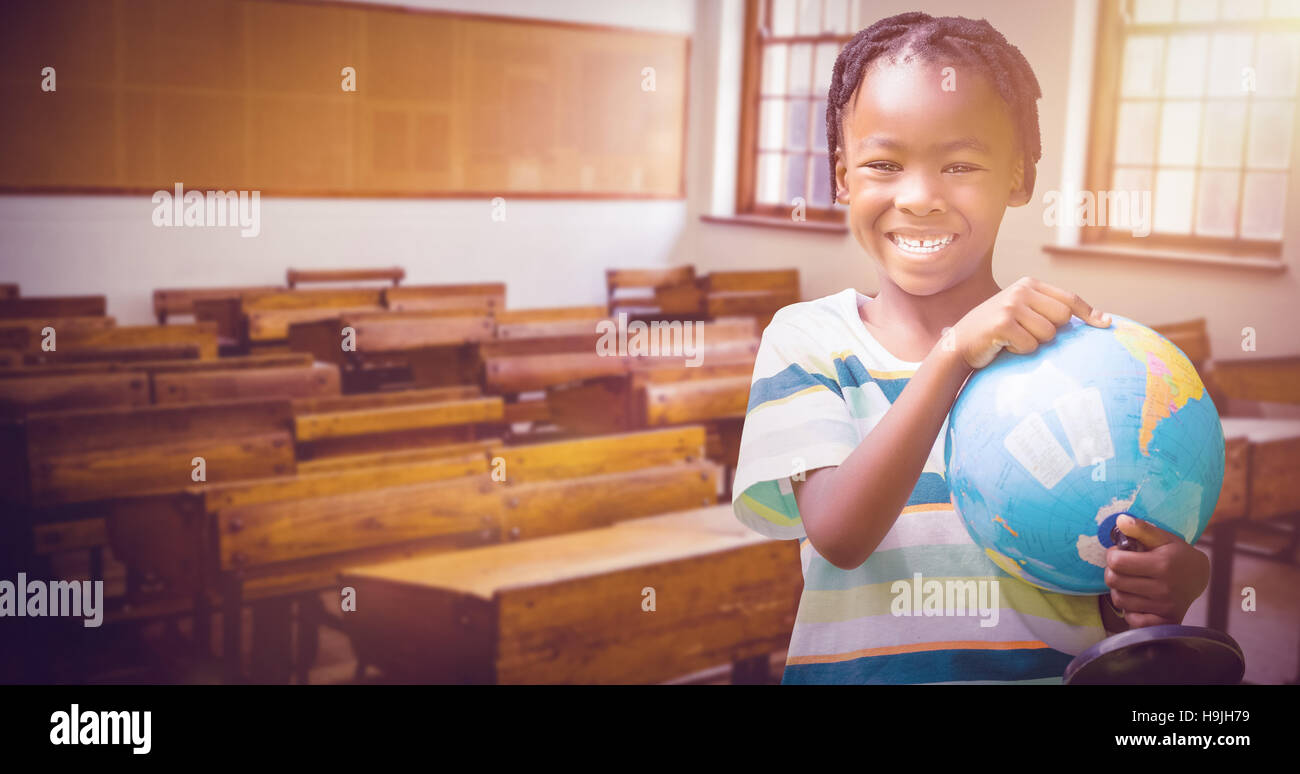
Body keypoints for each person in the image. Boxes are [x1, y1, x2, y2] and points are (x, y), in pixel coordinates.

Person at [731, 12, 1210, 684]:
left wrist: (1162, 584)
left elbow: (1088, 583)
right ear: (842, 177)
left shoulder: (1080, 361)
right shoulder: (809, 341)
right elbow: (840, 534)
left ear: (1018, 176)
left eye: (959, 164)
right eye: (882, 163)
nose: (920, 197)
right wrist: (953, 353)